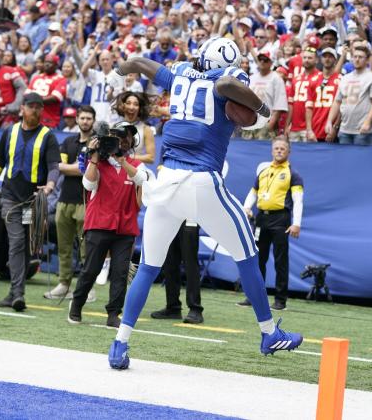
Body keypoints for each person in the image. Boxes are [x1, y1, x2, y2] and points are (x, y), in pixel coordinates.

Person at [108, 38, 303, 370]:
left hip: (166, 181)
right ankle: (269, 333)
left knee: (149, 268)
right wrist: (263, 108)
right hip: (201, 181)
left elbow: (140, 62)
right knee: (248, 255)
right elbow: (227, 83)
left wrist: (119, 70)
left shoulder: (182, 73)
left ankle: (119, 343)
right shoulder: (225, 80)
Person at [0, 92, 61, 311]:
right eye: (32, 106)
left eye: (39, 107)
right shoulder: (10, 132)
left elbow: (54, 166)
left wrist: (50, 185)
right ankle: (18, 294)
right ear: (22, 109)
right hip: (10, 199)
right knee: (16, 242)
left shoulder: (48, 136)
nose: (36, 110)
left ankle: (15, 292)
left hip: (33, 202)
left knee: (25, 245)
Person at [68, 121, 147, 329]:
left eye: (127, 137)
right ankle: (76, 305)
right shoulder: (99, 162)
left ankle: (113, 313)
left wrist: (121, 159)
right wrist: (95, 156)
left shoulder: (137, 165)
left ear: (132, 141)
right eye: (118, 136)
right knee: (91, 269)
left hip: (125, 227)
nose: (122, 140)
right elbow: (88, 184)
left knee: (120, 273)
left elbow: (141, 180)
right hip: (99, 223)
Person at [240, 138, 303, 311]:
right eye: (276, 148)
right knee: (258, 259)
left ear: (288, 152)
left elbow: (298, 201)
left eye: (283, 148)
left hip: (280, 220)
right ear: (271, 151)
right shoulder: (264, 171)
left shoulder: (292, 174)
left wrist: (296, 223)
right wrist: (246, 208)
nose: (279, 151)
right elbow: (253, 192)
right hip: (262, 219)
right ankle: (254, 297)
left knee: (280, 260)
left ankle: (280, 300)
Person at [44, 106, 96, 301]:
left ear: (93, 120)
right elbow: (58, 166)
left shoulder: (95, 143)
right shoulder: (67, 141)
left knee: (86, 249)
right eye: (82, 118)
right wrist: (77, 167)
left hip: (85, 201)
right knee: (64, 246)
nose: (85, 121)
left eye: (88, 118)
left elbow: (87, 170)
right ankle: (64, 285)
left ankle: (87, 289)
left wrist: (74, 168)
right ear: (77, 119)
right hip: (64, 200)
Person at [325, 46, 372, 145]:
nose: (357, 59)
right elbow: (337, 102)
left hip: (362, 130)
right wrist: (329, 121)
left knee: (361, 160)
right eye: (355, 56)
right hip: (344, 129)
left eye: (360, 57)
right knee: (345, 159)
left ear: (367, 60)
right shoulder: (345, 78)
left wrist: (368, 122)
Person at [150, 220, 204, 324]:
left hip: (190, 217)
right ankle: (173, 307)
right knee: (170, 263)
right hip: (171, 217)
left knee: (190, 263)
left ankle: (195, 308)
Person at [242, 51, 287, 140]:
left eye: (265, 60)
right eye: (260, 59)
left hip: (266, 122)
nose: (262, 62)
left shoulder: (276, 79)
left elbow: (279, 105)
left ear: (271, 62)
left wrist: (269, 126)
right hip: (250, 122)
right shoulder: (251, 78)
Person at [285, 47, 321, 142]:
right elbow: (291, 104)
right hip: (294, 127)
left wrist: (311, 128)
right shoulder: (296, 78)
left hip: (310, 128)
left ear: (316, 60)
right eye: (304, 58)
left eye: (310, 58)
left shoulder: (320, 77)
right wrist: (288, 125)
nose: (306, 60)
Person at [305, 48, 341, 142]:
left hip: (332, 130)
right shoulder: (313, 80)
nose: (327, 59)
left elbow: (342, 107)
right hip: (314, 129)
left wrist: (335, 128)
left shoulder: (341, 80)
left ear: (335, 60)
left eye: (330, 57)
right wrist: (309, 130)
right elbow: (309, 107)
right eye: (325, 56)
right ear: (321, 59)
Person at [27, 53, 67, 129]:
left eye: (50, 62)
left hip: (49, 120)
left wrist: (34, 100)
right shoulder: (36, 77)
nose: (47, 64)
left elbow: (54, 98)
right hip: (32, 119)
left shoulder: (61, 79)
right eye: (46, 62)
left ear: (56, 65)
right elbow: (26, 94)